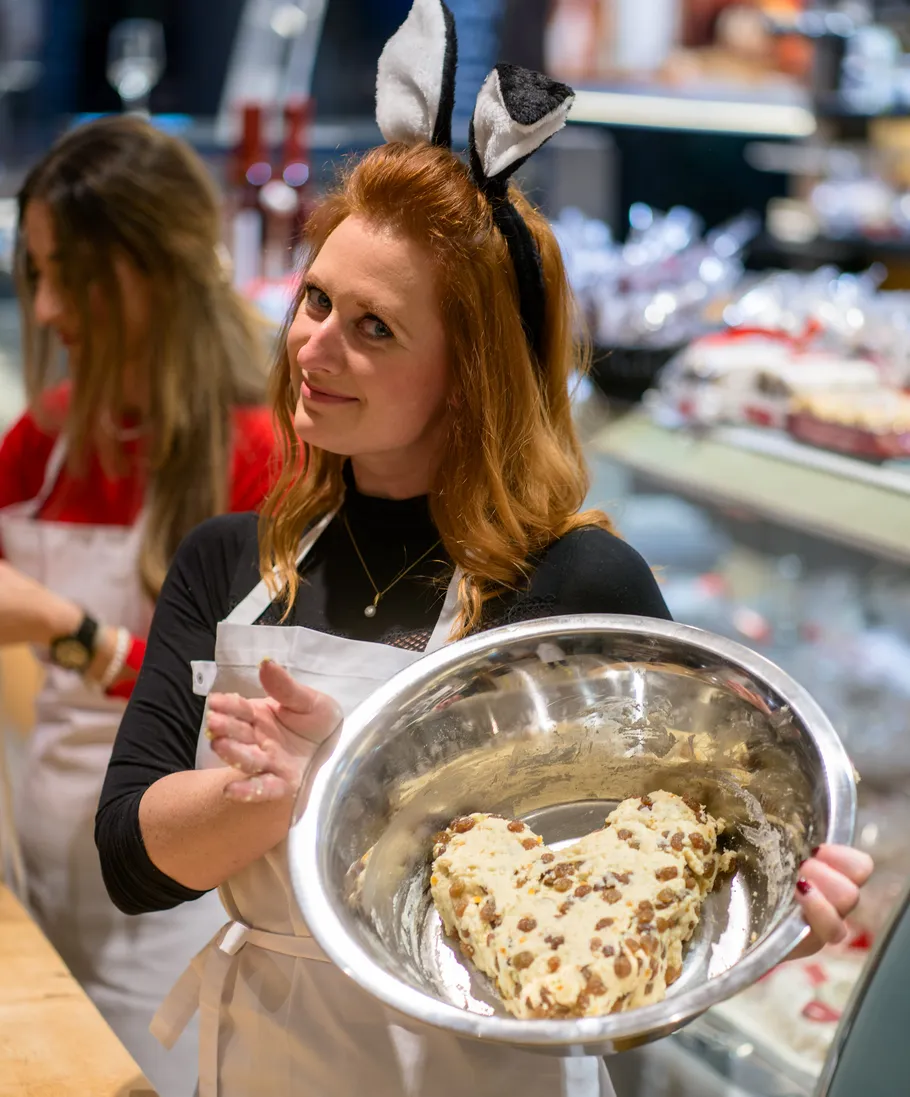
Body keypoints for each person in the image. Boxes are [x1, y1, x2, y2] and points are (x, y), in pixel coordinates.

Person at [96, 3, 872, 1094]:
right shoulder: (235, 557)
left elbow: (640, 979)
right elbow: (132, 859)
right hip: (269, 1055)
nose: (314, 344)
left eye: (374, 327)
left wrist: (781, 921)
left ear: (471, 376)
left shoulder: (576, 588)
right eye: (315, 301)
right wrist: (277, 794)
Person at [0, 116, 277, 1095]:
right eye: (32, 271)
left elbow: (236, 720)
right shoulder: (37, 444)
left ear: (151, 267)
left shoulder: (257, 460)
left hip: (170, 902)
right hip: (35, 874)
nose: (43, 304)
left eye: (66, 273)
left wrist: (71, 633)